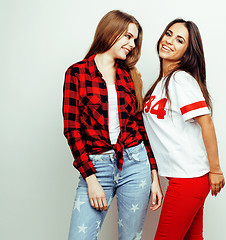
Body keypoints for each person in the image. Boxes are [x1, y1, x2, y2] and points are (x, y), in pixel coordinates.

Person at [63, 10, 162, 240]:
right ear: (110, 31)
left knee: (130, 238)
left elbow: (139, 126)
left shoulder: (129, 75)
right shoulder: (76, 73)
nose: (132, 43)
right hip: (97, 168)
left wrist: (154, 174)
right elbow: (72, 130)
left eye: (135, 39)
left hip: (136, 164)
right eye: (128, 36)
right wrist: (90, 179)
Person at [142, 18, 225, 239]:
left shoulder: (180, 80)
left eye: (179, 40)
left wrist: (216, 170)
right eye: (168, 34)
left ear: (187, 52)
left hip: (189, 178)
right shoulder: (161, 83)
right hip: (183, 177)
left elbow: (205, 121)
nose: (169, 41)